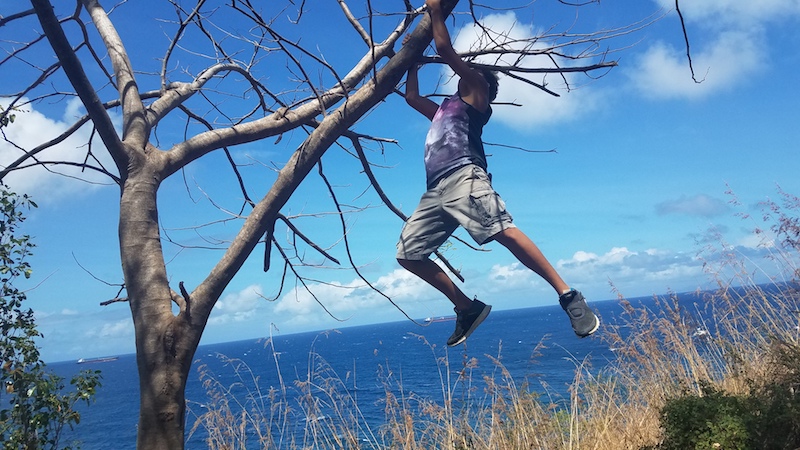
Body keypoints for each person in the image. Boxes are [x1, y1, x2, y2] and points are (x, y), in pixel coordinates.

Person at [396, 0, 600, 347]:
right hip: (435, 190)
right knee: (409, 254)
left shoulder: (477, 95)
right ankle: (466, 308)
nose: (462, 76)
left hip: (464, 176)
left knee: (501, 231)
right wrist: (411, 64)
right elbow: (412, 98)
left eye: (467, 74)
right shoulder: (445, 109)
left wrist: (434, 11)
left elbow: (444, 49)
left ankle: (568, 296)